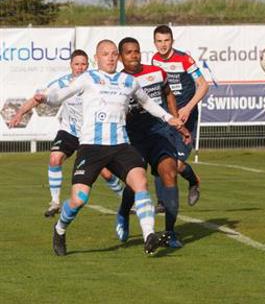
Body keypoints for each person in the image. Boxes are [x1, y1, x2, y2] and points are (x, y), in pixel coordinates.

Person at [31, 39, 183, 256]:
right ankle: (60, 228)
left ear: (117, 57)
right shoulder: (87, 78)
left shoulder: (128, 81)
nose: (110, 58)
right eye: (105, 54)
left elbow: (147, 103)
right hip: (92, 147)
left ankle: (149, 236)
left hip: (120, 145)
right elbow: (60, 95)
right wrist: (45, 97)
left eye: (113, 54)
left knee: (140, 182)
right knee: (79, 199)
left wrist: (169, 118)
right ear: (97, 58)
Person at [9, 50, 124, 217]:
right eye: (76, 64)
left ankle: (126, 200)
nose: (80, 67)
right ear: (71, 65)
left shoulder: (95, 80)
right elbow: (37, 98)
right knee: (55, 158)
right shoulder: (62, 83)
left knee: (105, 172)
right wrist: (20, 113)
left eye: (83, 64)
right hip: (69, 131)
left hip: (90, 134)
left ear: (88, 65)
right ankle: (55, 202)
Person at [116, 37, 191, 248]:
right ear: (121, 57)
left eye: (137, 51)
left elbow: (169, 95)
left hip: (160, 134)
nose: (134, 55)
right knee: (136, 182)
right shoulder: (118, 80)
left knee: (170, 175)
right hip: (134, 138)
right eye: (129, 52)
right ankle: (123, 212)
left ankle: (170, 233)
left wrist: (177, 122)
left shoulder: (157, 72)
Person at [151, 25, 208, 208]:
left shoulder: (184, 59)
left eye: (166, 40)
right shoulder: (155, 60)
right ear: (154, 42)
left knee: (176, 164)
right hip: (167, 117)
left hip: (185, 118)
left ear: (172, 41)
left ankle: (194, 181)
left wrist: (188, 108)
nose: (163, 45)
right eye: (159, 41)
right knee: (160, 158)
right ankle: (161, 202)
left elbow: (203, 85)